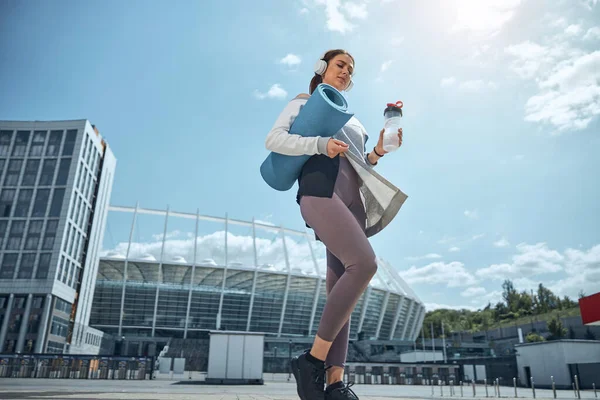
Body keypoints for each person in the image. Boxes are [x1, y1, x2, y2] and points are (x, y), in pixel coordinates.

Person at [264, 49, 406, 400]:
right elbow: (274, 139)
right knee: (365, 265)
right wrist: (320, 143)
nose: (345, 71)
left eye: (350, 69)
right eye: (340, 65)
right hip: (320, 190)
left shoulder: (352, 120)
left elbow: (362, 165)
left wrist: (379, 151)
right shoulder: (307, 102)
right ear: (322, 68)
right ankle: (311, 361)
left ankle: (335, 384)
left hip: (353, 202)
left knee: (341, 292)